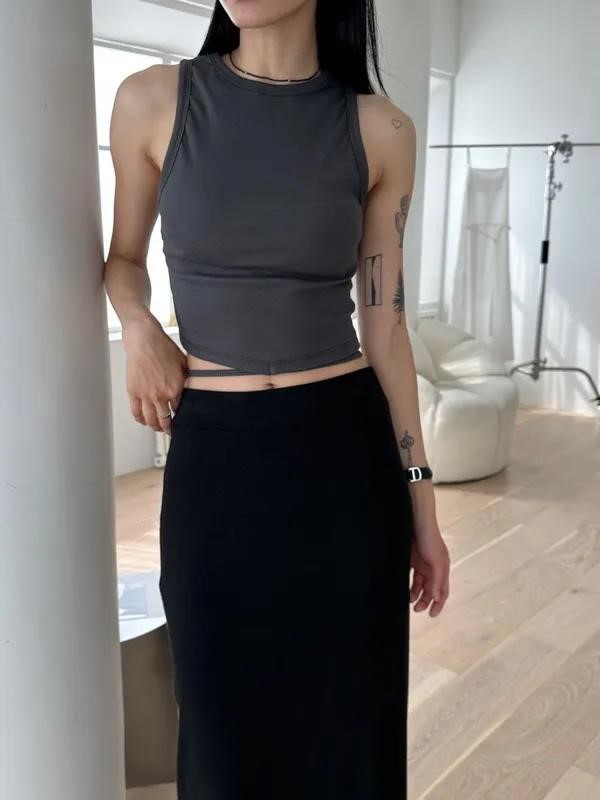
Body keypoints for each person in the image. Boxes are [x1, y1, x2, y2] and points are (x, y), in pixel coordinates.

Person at [103, 1, 450, 796]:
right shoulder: (152, 101)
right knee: (219, 723)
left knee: (349, 724)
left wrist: (421, 502)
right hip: (216, 452)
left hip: (344, 454)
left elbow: (386, 328)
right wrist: (141, 328)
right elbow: (122, 259)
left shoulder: (380, 128)